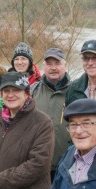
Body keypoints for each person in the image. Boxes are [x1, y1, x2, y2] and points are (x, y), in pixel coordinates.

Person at [31, 47, 72, 180]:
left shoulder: (76, 92)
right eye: (49, 64)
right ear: (43, 66)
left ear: (65, 66)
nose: (53, 67)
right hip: (37, 165)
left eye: (57, 63)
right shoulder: (33, 91)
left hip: (67, 167)